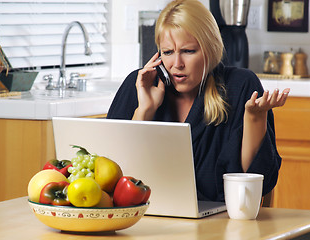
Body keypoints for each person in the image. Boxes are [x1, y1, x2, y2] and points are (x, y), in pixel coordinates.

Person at [107, 0, 290, 202]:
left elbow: (252, 183)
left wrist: (255, 118)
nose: (177, 64)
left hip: (219, 224)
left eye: (188, 51)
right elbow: (111, 176)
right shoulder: (140, 83)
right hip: (145, 221)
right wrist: (145, 110)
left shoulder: (240, 85)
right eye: (168, 52)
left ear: (210, 48)